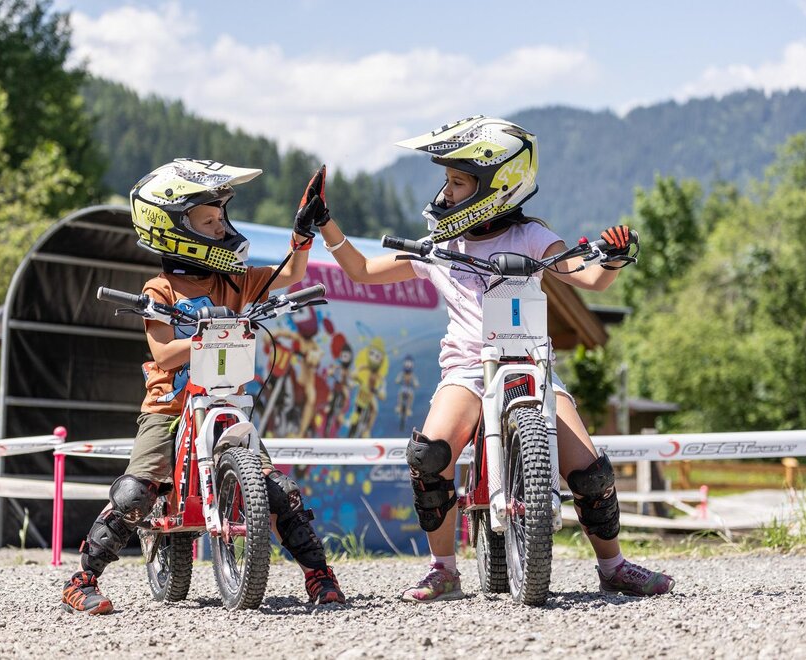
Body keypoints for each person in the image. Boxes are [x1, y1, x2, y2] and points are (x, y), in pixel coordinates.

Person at [313, 116, 676, 602]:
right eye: (447, 180)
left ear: (497, 186)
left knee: (592, 472)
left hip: (531, 364)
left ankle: (613, 566)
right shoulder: (439, 246)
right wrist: (324, 222)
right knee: (430, 457)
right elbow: (360, 270)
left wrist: (612, 257)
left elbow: (589, 278)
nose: (446, 191)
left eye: (458, 181)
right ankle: (444, 569)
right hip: (468, 369)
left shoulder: (532, 237)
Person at [61, 158, 346, 614]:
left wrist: (303, 233)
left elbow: (291, 275)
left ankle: (319, 575)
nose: (220, 228)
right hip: (169, 405)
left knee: (277, 489)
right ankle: (83, 579)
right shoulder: (160, 290)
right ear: (173, 229)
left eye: (220, 218)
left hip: (224, 400)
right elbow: (163, 354)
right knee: (137, 491)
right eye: (208, 221)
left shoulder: (235, 279)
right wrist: (207, 334)